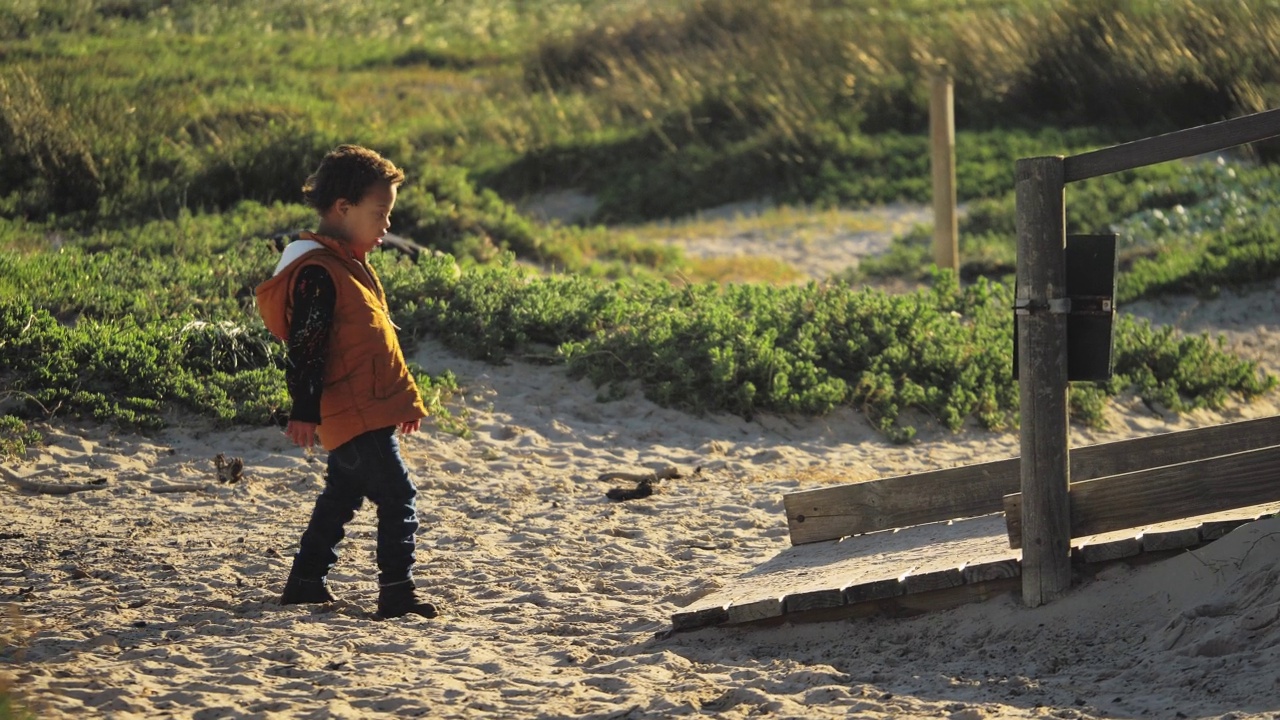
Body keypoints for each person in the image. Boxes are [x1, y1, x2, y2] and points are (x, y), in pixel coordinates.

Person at [255, 144, 438, 619]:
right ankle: (397, 590)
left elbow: (372, 347)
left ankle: (305, 581)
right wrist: (304, 411)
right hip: (349, 413)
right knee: (398, 495)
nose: (387, 226)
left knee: (341, 495)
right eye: (380, 213)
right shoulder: (319, 271)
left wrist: (404, 403)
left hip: (364, 411)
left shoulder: (348, 267)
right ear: (343, 208)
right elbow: (308, 346)